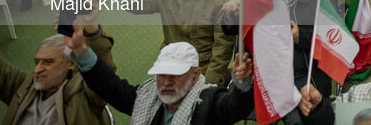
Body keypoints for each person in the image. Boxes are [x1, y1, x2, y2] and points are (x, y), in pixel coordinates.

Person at [70, 37, 256, 125]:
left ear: (196, 75)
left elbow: (235, 105)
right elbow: (110, 86)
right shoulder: (145, 96)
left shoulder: (210, 101)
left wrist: (243, 83)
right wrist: (80, 49)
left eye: (175, 75)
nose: (166, 82)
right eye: (162, 74)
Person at [125, 0, 235, 85]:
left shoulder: (219, 1)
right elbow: (133, 6)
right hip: (170, 65)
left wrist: (207, 88)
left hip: (201, 70)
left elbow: (221, 52)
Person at [0, 21, 115, 124]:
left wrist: (92, 30)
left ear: (71, 64)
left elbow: (103, 74)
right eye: (37, 62)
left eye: (48, 62)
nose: (37, 70)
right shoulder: (24, 85)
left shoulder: (83, 95)